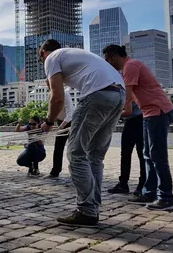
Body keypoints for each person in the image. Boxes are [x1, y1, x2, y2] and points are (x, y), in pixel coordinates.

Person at [39, 39, 125, 227]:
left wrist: (48, 122)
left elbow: (57, 98)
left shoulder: (51, 58)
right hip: (118, 94)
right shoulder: (73, 54)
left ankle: (86, 210)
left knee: (76, 153)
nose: (43, 64)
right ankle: (91, 209)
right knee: (94, 155)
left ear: (45, 52)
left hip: (97, 93)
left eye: (41, 58)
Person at [103, 45, 173, 211]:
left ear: (114, 56)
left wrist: (106, 111)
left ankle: (166, 197)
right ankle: (149, 193)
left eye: (107, 59)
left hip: (158, 111)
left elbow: (126, 97)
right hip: (148, 113)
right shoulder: (129, 67)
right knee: (148, 155)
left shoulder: (131, 66)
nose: (107, 63)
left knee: (158, 156)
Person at [107, 101, 146, 196]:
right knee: (126, 153)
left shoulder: (129, 88)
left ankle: (141, 185)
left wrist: (111, 114)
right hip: (132, 121)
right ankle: (125, 183)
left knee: (139, 154)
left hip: (138, 120)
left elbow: (128, 111)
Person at [46, 80, 75, 179]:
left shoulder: (65, 94)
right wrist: (49, 123)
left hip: (72, 123)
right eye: (49, 86)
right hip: (60, 122)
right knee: (58, 147)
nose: (50, 88)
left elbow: (70, 115)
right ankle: (55, 171)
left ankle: (76, 172)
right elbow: (50, 111)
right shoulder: (51, 95)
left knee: (73, 148)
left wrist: (60, 127)